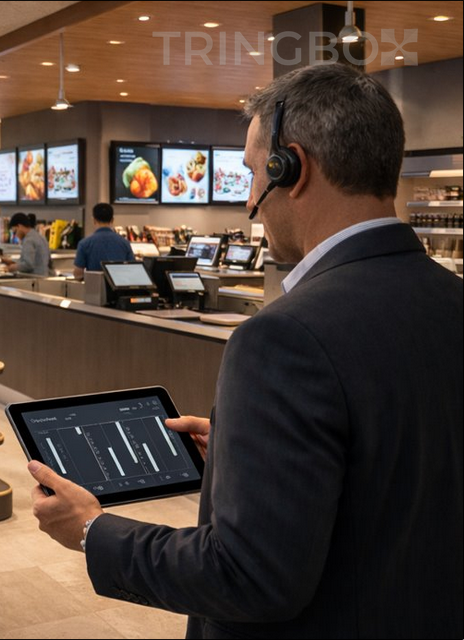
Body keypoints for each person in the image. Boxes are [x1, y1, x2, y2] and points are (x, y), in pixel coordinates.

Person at [27, 64, 462, 638]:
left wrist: (92, 531)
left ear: (292, 169)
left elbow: (247, 575)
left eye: (254, 173)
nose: (250, 198)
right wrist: (260, 448)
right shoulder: (451, 299)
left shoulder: (284, 337)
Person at [73, 202, 135, 278]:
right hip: (119, 284)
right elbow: (133, 269)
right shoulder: (124, 243)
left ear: (94, 220)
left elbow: (78, 274)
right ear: (112, 220)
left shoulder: (84, 243)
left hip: (95, 285)